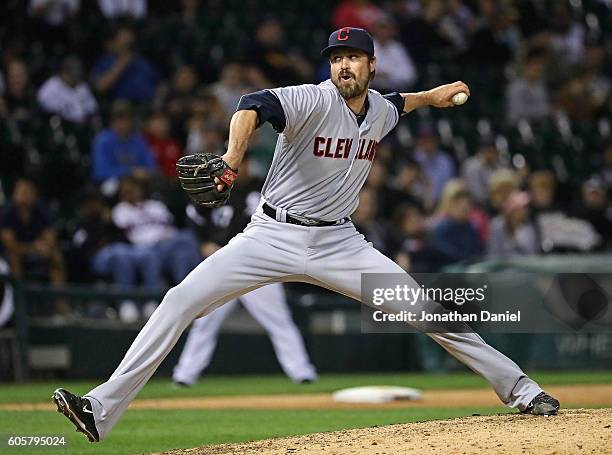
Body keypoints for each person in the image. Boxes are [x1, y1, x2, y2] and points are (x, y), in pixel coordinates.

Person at [53, 27, 559, 443]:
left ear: (371, 66)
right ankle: (99, 408)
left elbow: (401, 103)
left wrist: (435, 95)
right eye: (336, 57)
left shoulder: (379, 110)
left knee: (428, 312)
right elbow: (252, 104)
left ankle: (522, 389)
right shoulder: (311, 99)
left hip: (341, 244)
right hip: (270, 235)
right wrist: (232, 158)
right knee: (180, 300)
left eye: (354, 57)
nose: (343, 65)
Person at [172, 162, 317, 386]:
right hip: (221, 267)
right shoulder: (210, 194)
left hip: (257, 264)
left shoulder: (257, 191)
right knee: (205, 321)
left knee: (279, 320)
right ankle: (184, 376)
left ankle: (302, 372)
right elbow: (194, 218)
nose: (236, 170)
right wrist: (204, 243)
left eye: (239, 166)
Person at [91, 101, 156, 187]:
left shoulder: (138, 140)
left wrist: (145, 173)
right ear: (112, 121)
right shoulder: (103, 140)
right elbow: (99, 172)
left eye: (125, 119)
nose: (122, 124)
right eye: (118, 119)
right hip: (114, 183)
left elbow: (151, 167)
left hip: (138, 183)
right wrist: (130, 172)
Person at [37, 56, 98, 124]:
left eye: (78, 75)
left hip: (83, 125)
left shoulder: (82, 86)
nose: (76, 78)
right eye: (73, 75)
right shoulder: (50, 88)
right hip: (61, 126)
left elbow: (93, 108)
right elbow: (46, 110)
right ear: (64, 73)